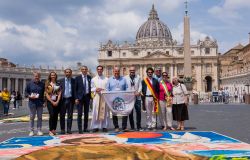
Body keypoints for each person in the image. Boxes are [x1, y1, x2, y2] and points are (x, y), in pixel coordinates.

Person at [106, 66, 128, 132]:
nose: (117, 72)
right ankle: (116, 127)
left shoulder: (123, 79)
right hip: (113, 99)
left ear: (119, 72)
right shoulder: (109, 79)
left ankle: (124, 127)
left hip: (122, 98)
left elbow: (126, 88)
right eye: (115, 71)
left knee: (124, 112)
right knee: (114, 113)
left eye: (118, 71)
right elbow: (107, 89)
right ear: (113, 72)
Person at [25, 72, 45, 136]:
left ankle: (39, 130)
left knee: (40, 117)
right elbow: (26, 92)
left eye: (38, 76)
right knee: (32, 117)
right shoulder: (29, 83)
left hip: (40, 103)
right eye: (36, 76)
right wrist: (29, 96)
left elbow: (44, 94)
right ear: (33, 76)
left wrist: (44, 102)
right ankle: (31, 131)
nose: (37, 77)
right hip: (32, 103)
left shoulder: (42, 84)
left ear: (40, 77)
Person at [90, 65, 109, 132]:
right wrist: (96, 89)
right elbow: (91, 88)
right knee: (96, 111)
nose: (99, 70)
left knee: (105, 112)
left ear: (102, 70)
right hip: (96, 97)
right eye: (98, 69)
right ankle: (95, 126)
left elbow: (108, 88)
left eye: (101, 69)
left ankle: (104, 126)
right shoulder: (93, 79)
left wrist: (103, 89)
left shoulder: (106, 79)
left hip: (104, 97)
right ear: (97, 70)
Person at [125, 66, 143, 131]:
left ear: (135, 71)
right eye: (131, 71)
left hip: (137, 97)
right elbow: (125, 87)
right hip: (129, 97)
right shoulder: (126, 78)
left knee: (138, 112)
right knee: (130, 113)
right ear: (129, 71)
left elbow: (140, 86)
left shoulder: (138, 77)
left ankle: (139, 126)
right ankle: (132, 127)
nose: (132, 72)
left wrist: (138, 92)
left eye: (133, 71)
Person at [75, 66, 92, 133]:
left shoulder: (89, 77)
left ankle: (85, 128)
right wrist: (76, 98)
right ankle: (80, 129)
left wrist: (91, 97)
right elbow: (75, 89)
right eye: (83, 69)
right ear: (81, 70)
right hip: (79, 98)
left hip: (87, 97)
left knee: (86, 114)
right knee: (79, 114)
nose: (84, 70)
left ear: (87, 70)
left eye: (85, 69)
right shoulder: (77, 78)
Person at [45, 71, 62, 136]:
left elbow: (60, 93)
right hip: (50, 101)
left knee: (56, 116)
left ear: (56, 76)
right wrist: (52, 102)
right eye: (52, 75)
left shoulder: (58, 83)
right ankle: (50, 130)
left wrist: (57, 101)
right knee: (51, 115)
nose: (53, 76)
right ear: (50, 76)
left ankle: (54, 130)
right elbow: (46, 94)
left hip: (57, 101)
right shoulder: (47, 83)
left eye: (54, 75)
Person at [59, 68, 75, 134]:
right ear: (65, 73)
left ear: (71, 73)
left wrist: (76, 98)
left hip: (70, 99)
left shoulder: (74, 81)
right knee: (62, 115)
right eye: (67, 72)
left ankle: (69, 129)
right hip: (63, 100)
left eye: (69, 72)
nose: (68, 73)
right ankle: (62, 129)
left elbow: (75, 90)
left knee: (70, 115)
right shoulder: (60, 81)